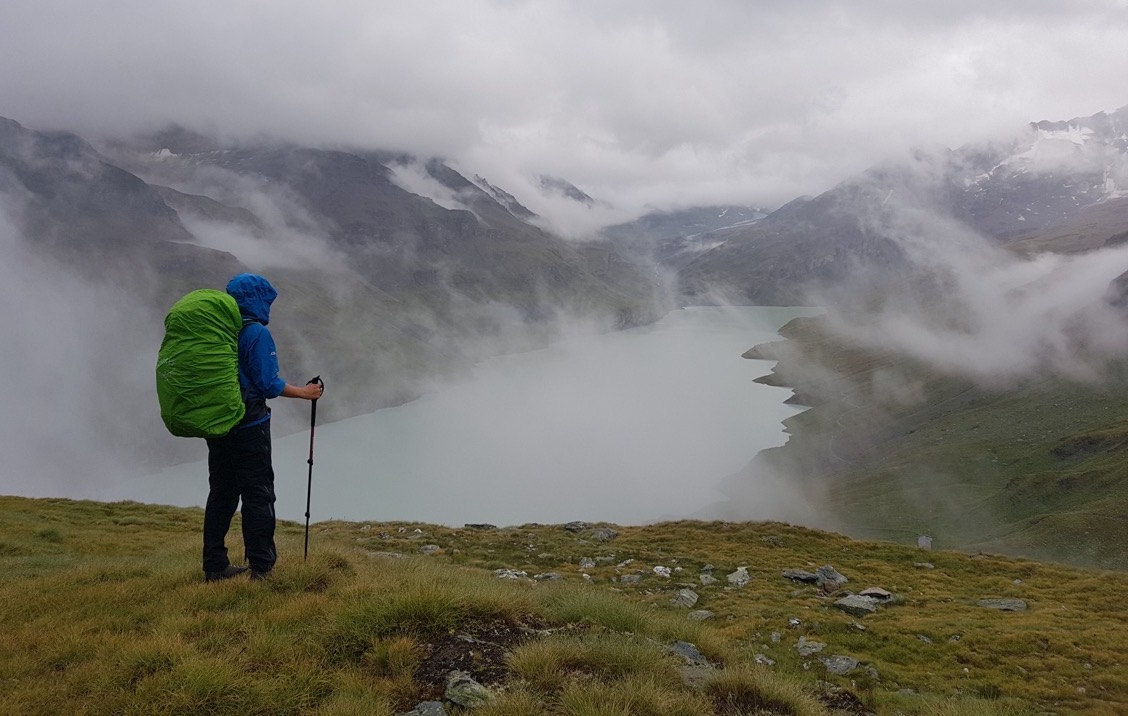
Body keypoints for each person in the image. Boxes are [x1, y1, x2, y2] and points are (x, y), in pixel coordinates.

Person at [203, 273, 323, 582]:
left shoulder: (219, 328)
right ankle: (262, 569)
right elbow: (268, 384)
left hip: (217, 423)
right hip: (249, 423)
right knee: (258, 493)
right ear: (259, 300)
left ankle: (215, 566)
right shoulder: (255, 332)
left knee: (222, 493)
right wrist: (305, 393)